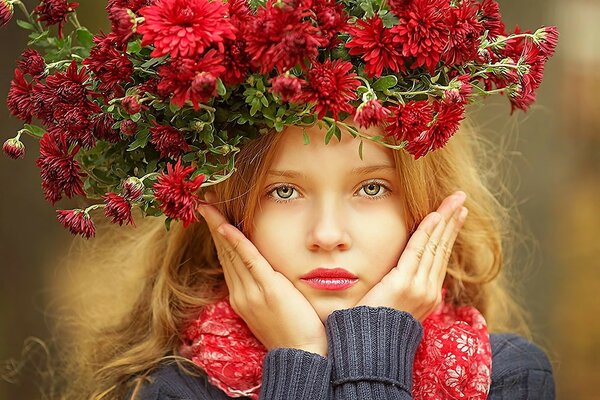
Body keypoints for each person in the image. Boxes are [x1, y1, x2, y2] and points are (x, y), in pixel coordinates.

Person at [49, 118, 554, 400]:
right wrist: (302, 365)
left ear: (425, 208)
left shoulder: (508, 378)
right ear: (228, 213)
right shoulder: (176, 390)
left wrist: (369, 351)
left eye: (372, 187)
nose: (328, 234)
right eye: (284, 191)